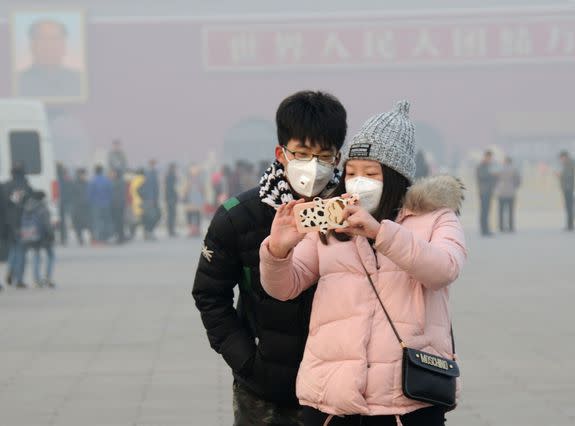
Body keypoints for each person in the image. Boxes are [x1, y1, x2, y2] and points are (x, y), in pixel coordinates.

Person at [260, 101, 467, 426]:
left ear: (396, 176)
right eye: (352, 172)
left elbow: (444, 269)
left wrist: (380, 233)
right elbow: (284, 287)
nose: (358, 182)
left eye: (371, 174)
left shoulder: (435, 219)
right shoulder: (331, 218)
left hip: (407, 400)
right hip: (333, 399)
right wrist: (277, 252)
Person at [192, 90, 348, 426]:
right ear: (281, 153)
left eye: (324, 156)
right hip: (264, 392)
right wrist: (247, 361)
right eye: (302, 153)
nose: (314, 166)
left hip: (340, 391)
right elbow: (209, 294)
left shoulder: (352, 217)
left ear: (338, 158)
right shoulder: (239, 217)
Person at [17, 19, 83, 98]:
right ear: (32, 45)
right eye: (42, 39)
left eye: (54, 39)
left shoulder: (79, 80)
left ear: (64, 45)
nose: (49, 45)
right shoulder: (18, 80)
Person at [3, 163, 33, 288]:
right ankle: (19, 279)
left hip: (9, 223)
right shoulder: (26, 186)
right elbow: (32, 204)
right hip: (23, 223)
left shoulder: (5, 186)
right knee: (21, 251)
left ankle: (10, 270)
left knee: (13, 249)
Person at [20, 191, 56, 288]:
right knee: (51, 255)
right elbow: (47, 224)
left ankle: (36, 279)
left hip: (31, 235)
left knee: (36, 256)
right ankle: (48, 278)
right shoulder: (42, 208)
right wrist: (52, 235)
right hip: (43, 236)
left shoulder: (27, 207)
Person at [87, 165, 113, 244]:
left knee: (96, 221)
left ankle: (97, 238)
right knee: (106, 220)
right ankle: (105, 237)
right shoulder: (107, 181)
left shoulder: (92, 181)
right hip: (106, 204)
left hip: (95, 204)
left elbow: (89, 194)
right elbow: (111, 192)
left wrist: (90, 203)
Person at [496, 156, 521, 233]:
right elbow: (518, 180)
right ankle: (511, 227)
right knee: (511, 211)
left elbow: (495, 179)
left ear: (505, 161)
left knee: (501, 211)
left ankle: (501, 227)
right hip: (511, 192)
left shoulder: (500, 169)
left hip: (501, 192)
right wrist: (514, 186)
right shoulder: (514, 169)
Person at [476, 150, 497, 236]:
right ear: (486, 157)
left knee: (487, 211)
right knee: (484, 211)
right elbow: (481, 176)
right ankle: (484, 229)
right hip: (484, 191)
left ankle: (487, 228)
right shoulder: (481, 166)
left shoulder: (489, 166)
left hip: (489, 191)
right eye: (489, 157)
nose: (490, 159)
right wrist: (492, 175)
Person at [140, 160, 161, 240]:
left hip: (153, 199)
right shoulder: (149, 174)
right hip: (150, 200)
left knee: (152, 216)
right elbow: (150, 187)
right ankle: (149, 232)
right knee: (152, 216)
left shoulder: (152, 173)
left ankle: (148, 232)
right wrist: (151, 199)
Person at [70, 168, 91, 245]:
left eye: (84, 175)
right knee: (78, 224)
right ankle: (80, 238)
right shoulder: (74, 184)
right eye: (83, 174)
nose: (84, 176)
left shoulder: (87, 183)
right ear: (79, 175)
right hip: (77, 208)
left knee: (88, 223)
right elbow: (72, 196)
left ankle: (91, 237)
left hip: (86, 207)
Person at [183, 164, 204, 238]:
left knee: (197, 215)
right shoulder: (187, 180)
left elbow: (203, 190)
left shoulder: (200, 180)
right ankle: (191, 230)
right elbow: (184, 190)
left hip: (198, 200)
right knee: (190, 215)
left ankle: (197, 230)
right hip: (190, 200)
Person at [558, 151, 574, 231]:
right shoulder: (567, 164)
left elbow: (569, 176)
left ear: (565, 157)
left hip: (569, 188)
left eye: (561, 158)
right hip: (567, 188)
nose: (561, 160)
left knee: (569, 207)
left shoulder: (570, 164)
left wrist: (561, 175)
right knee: (568, 207)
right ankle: (569, 224)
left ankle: (570, 225)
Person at [128, 169, 146, 240]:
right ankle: (145, 233)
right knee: (143, 219)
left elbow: (130, 191)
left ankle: (132, 233)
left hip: (134, 202)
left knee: (134, 219)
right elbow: (144, 190)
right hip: (141, 202)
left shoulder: (133, 180)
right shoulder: (143, 179)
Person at [110, 169, 126, 244]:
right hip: (117, 205)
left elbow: (118, 195)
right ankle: (120, 236)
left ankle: (120, 237)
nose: (112, 174)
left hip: (118, 205)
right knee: (118, 222)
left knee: (118, 222)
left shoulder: (118, 182)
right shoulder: (117, 182)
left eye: (113, 173)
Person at [165, 163, 179, 237]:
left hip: (169, 198)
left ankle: (171, 230)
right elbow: (172, 188)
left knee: (171, 215)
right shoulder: (171, 176)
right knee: (171, 215)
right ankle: (171, 230)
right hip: (171, 198)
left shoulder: (168, 176)